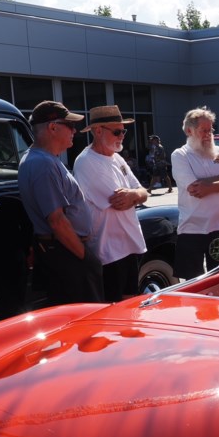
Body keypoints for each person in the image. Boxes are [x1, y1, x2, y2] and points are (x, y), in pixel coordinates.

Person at [17, 100, 104, 305]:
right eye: (70, 125)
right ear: (53, 127)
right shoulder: (42, 163)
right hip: (66, 253)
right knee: (85, 320)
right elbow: (57, 221)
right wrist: (85, 258)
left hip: (62, 251)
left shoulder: (44, 159)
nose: (75, 130)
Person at [74, 105, 149, 302]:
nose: (122, 136)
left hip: (129, 244)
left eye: (123, 131)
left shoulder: (116, 158)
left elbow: (142, 191)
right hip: (109, 250)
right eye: (117, 131)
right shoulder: (87, 162)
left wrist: (134, 194)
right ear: (98, 131)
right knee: (113, 310)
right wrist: (135, 196)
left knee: (131, 303)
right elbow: (119, 201)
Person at [170, 107, 219, 279]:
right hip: (191, 229)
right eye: (204, 130)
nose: (209, 134)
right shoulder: (180, 155)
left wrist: (208, 185)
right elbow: (195, 189)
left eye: (211, 130)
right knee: (192, 285)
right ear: (189, 130)